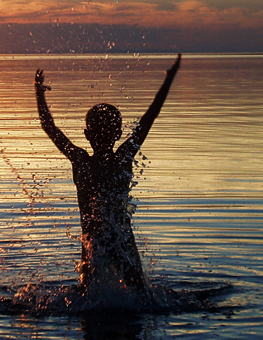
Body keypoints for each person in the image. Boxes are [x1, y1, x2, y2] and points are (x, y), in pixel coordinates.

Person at [34, 54, 181, 292]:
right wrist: (167, 81)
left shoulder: (81, 160)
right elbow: (149, 117)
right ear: (119, 134)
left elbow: (48, 126)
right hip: (121, 239)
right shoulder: (122, 158)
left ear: (86, 134)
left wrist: (39, 93)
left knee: (89, 298)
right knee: (141, 297)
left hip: (93, 242)